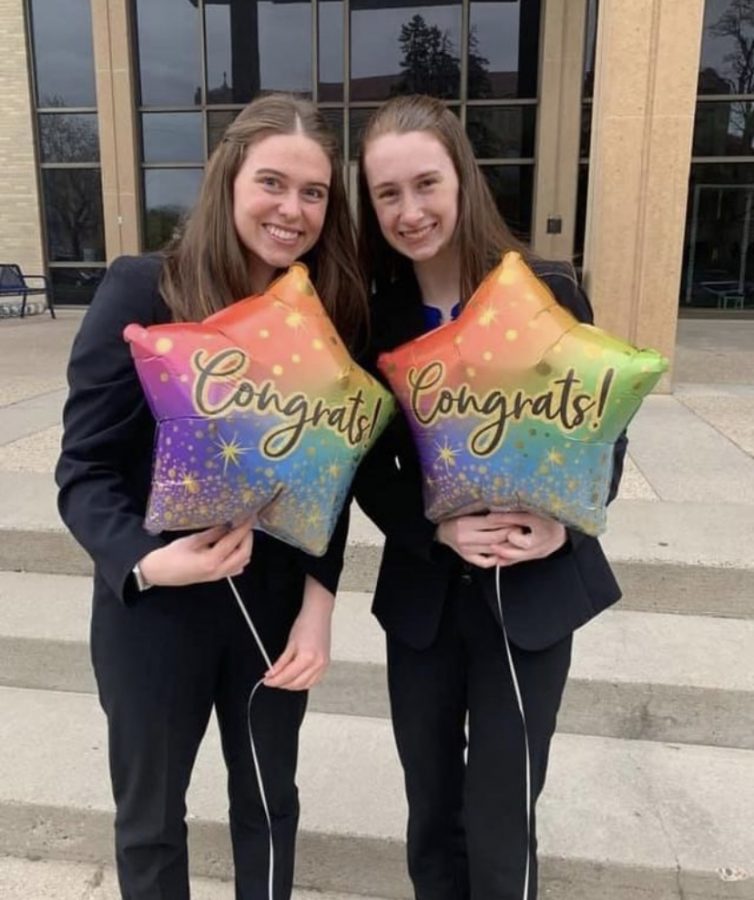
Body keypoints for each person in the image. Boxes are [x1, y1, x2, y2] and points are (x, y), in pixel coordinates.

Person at [56, 93, 367, 900]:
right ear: (228, 178)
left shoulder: (329, 313)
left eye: (314, 192)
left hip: (270, 611)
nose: (292, 210)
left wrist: (319, 601)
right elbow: (83, 473)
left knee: (270, 805)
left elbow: (329, 476)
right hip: (153, 615)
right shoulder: (140, 291)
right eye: (273, 182)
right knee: (151, 819)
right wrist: (150, 565)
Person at [354, 94, 627, 900]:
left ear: (462, 180)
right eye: (388, 194)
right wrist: (431, 534)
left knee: (503, 816)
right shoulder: (373, 316)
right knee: (432, 813)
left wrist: (563, 525)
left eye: (426, 184)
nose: (411, 211)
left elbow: (602, 432)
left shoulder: (546, 290)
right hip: (425, 603)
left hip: (531, 595)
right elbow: (365, 461)